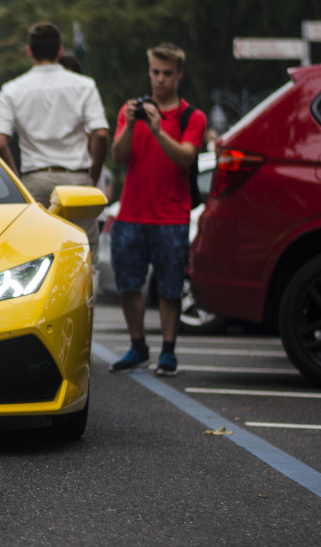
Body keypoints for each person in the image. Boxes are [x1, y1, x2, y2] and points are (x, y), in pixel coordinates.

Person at [106, 42, 206, 377]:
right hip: (131, 214)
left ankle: (168, 351)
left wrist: (158, 130)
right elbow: (118, 157)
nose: (160, 79)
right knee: (128, 285)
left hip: (172, 218)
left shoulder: (193, 116)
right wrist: (134, 124)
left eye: (167, 73)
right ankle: (137, 347)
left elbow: (186, 158)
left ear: (179, 74)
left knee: (170, 288)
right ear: (149, 71)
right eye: (155, 72)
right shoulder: (128, 110)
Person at [0, 21, 109, 253]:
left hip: (35, 181)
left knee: (37, 255)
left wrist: (19, 184)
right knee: (84, 253)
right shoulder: (84, 86)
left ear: (29, 51)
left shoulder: (11, 90)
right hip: (77, 181)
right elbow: (101, 135)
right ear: (60, 51)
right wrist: (93, 176)